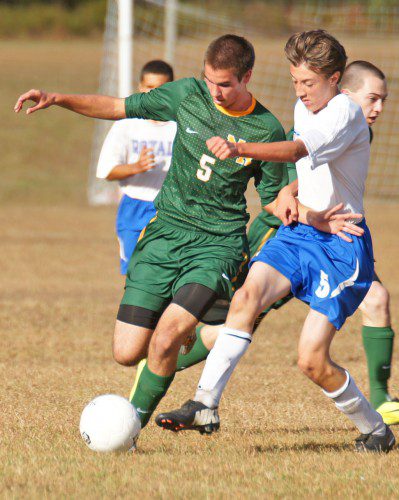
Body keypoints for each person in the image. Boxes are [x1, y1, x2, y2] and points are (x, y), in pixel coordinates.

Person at [14, 33, 361, 444]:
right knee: (127, 352)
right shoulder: (186, 94)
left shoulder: (265, 126)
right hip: (164, 235)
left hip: (218, 244)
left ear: (247, 76)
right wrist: (58, 98)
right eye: (210, 81)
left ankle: (130, 431)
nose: (216, 92)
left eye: (226, 84)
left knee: (164, 338)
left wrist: (312, 217)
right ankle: (195, 335)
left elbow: (272, 200)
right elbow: (117, 107)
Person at [155, 30, 396, 453]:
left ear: (334, 79)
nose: (300, 91)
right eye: (295, 81)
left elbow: (297, 150)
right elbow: (304, 167)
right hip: (302, 232)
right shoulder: (306, 107)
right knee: (247, 296)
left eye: (309, 83)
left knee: (311, 361)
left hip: (342, 242)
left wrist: (240, 146)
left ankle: (375, 427)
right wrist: (288, 193)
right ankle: (205, 404)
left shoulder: (344, 113)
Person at [340, 61, 398, 424]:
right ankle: (156, 363)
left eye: (384, 101)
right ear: (347, 95)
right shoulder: (315, 125)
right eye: (372, 99)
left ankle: (381, 398)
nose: (379, 108)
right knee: (233, 326)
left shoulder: (363, 130)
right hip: (291, 234)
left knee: (377, 299)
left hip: (341, 236)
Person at [97, 60, 176, 275]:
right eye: (149, 88)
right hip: (135, 207)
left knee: (168, 274)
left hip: (172, 209)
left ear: (172, 88)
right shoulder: (126, 125)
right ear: (140, 87)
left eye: (160, 89)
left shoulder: (182, 125)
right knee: (135, 274)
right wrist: (136, 167)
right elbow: (107, 171)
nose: (153, 94)